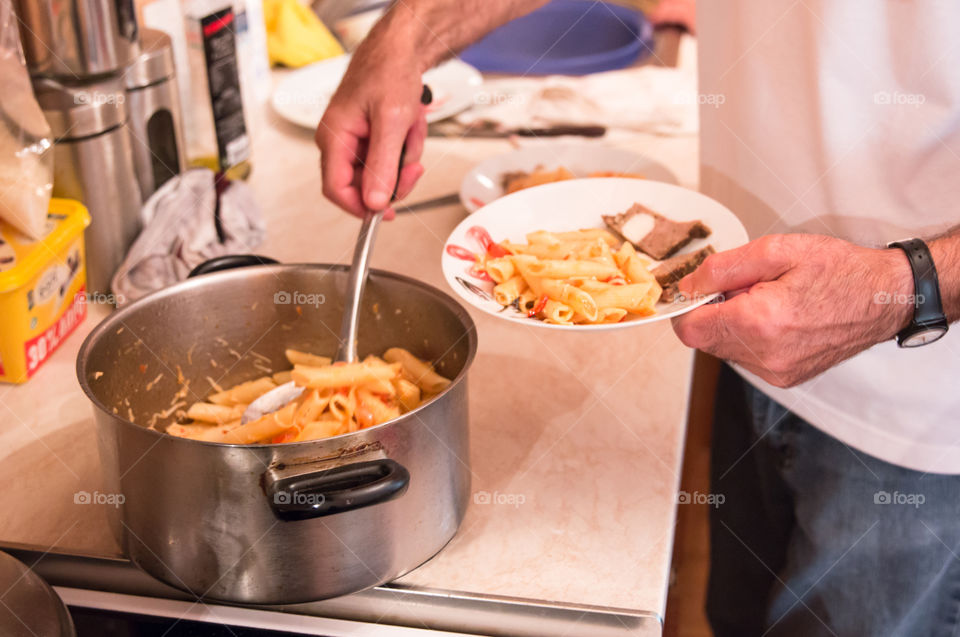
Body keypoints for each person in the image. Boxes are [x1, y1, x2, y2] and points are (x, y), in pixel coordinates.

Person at [316, 2, 960, 635]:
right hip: (743, 337)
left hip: (916, 418)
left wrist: (906, 285)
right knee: (732, 618)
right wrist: (402, 39)